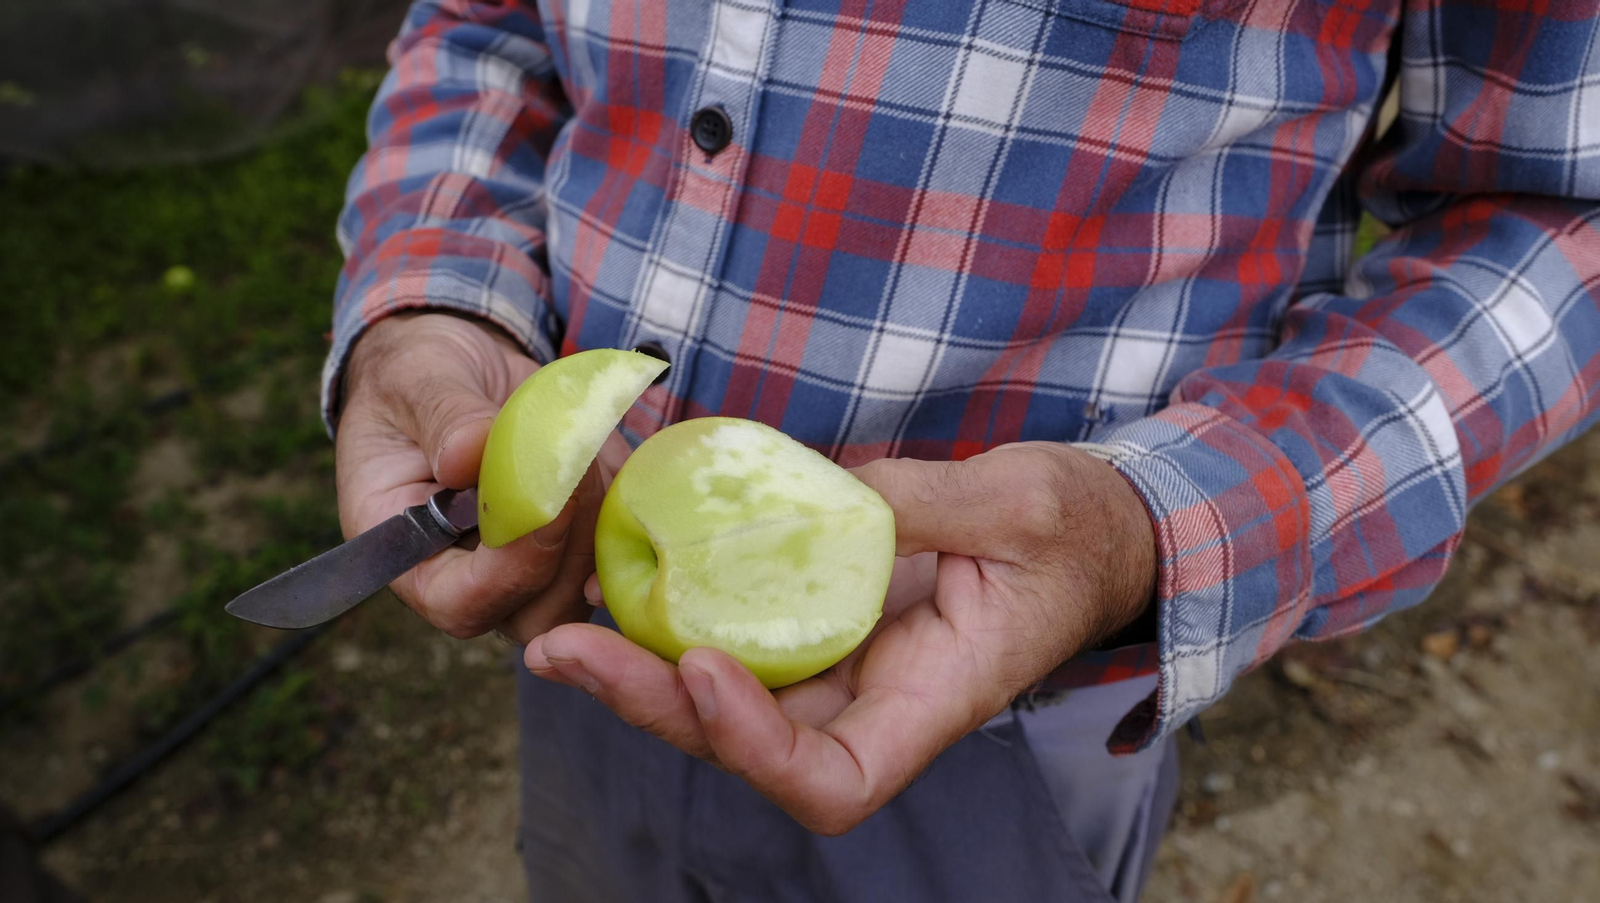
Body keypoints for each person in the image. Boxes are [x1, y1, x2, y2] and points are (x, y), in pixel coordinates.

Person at [328, 1, 1600, 899]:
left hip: (1010, 705)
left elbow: (1563, 211)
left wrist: (1156, 528)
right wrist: (435, 295)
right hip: (582, 638)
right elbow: (485, 22)